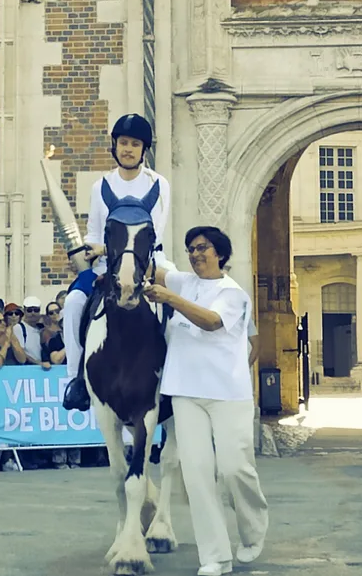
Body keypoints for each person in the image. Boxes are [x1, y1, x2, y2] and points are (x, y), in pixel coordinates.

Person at [144, 226, 268, 576]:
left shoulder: (233, 293)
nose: (196, 254)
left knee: (234, 468)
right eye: (191, 249)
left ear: (221, 253)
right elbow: (154, 269)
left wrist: (170, 299)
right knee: (197, 474)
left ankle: (252, 529)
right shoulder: (184, 281)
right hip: (186, 391)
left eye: (203, 248)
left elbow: (212, 322)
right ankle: (215, 556)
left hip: (228, 394)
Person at [62, 113, 172, 411]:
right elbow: (95, 230)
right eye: (123, 142)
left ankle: (175, 379)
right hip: (104, 263)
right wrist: (93, 249)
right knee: (73, 303)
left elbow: (153, 232)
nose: (127, 148)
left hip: (148, 260)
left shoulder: (159, 184)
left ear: (143, 149)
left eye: (134, 144)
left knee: (180, 297)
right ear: (115, 146)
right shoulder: (101, 186)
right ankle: (76, 380)